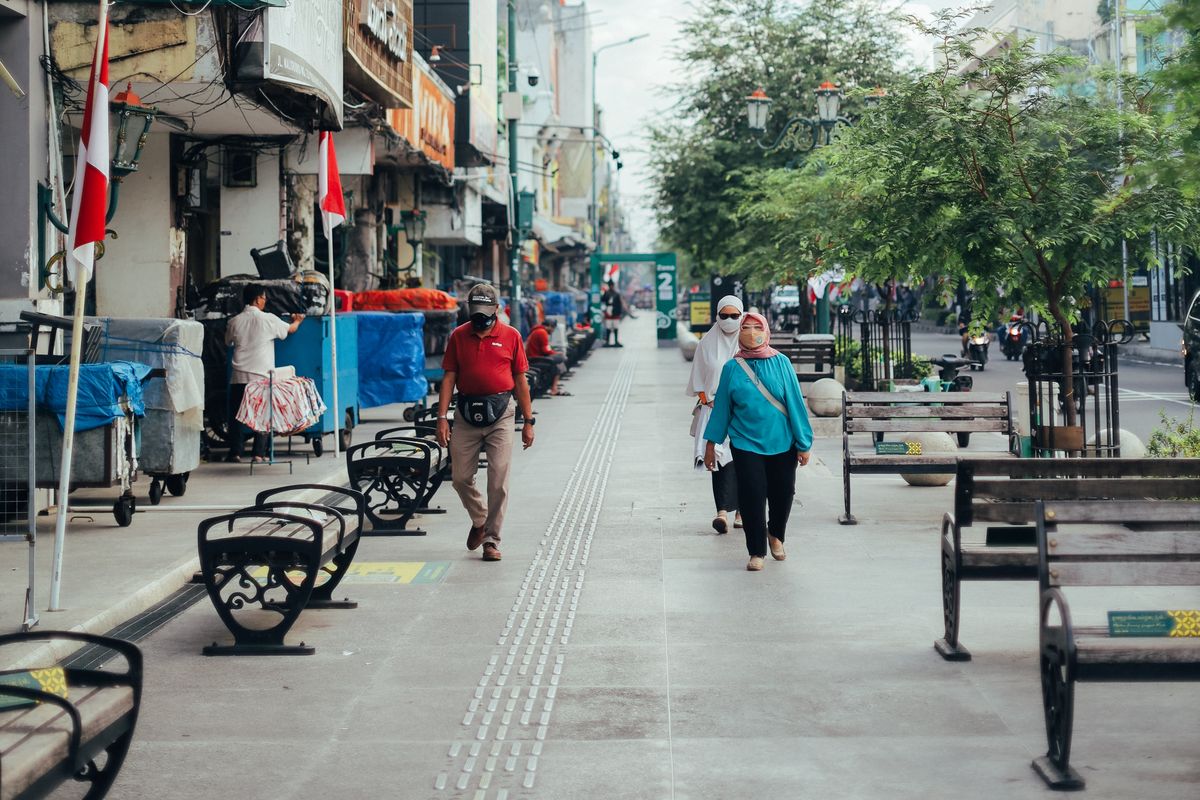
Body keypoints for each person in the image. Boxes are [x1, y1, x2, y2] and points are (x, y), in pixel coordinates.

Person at [703, 312, 813, 571]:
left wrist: (804, 442)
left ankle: (776, 534)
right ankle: (756, 551)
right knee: (752, 494)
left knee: (783, 492)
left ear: (766, 330)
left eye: (757, 327)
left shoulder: (782, 363)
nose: (752, 332)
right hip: (745, 441)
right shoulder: (732, 367)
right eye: (746, 327)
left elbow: (795, 404)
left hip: (782, 441)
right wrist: (711, 444)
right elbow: (722, 409)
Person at [436, 283, 536, 562]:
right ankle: (480, 519)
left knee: (498, 480)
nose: (479, 317)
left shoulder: (511, 336)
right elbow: (449, 378)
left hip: (502, 412)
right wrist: (441, 418)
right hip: (466, 412)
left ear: (496, 309)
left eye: (484, 311)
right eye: (475, 311)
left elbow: (520, 381)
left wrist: (528, 421)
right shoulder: (458, 336)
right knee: (460, 478)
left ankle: (491, 540)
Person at [224, 284, 304, 463]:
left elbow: (227, 341)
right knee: (263, 415)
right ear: (257, 299)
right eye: (264, 297)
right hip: (261, 378)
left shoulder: (234, 321)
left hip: (239, 377)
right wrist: (298, 320)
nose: (265, 300)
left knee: (237, 416)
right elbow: (290, 330)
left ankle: (235, 453)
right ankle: (258, 454)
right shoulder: (269, 319)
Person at [686, 295, 745, 534]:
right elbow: (698, 379)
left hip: (743, 413)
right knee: (719, 460)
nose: (729, 320)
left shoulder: (748, 341)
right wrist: (707, 400)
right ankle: (721, 511)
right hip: (714, 410)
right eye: (724, 316)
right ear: (717, 316)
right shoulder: (707, 343)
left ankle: (742, 510)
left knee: (744, 460)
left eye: (734, 316)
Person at [526, 317, 571, 396]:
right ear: (550, 326)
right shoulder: (542, 332)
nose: (553, 330)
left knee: (558, 360)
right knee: (557, 364)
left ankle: (553, 387)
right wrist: (557, 353)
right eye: (553, 328)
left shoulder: (537, 330)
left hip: (533, 357)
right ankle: (554, 389)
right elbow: (546, 350)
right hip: (535, 359)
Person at [601, 280, 624, 347]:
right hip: (608, 311)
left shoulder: (616, 294)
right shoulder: (606, 293)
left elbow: (619, 304)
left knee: (615, 327)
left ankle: (616, 341)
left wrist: (619, 312)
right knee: (608, 327)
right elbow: (603, 301)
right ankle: (607, 341)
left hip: (615, 312)